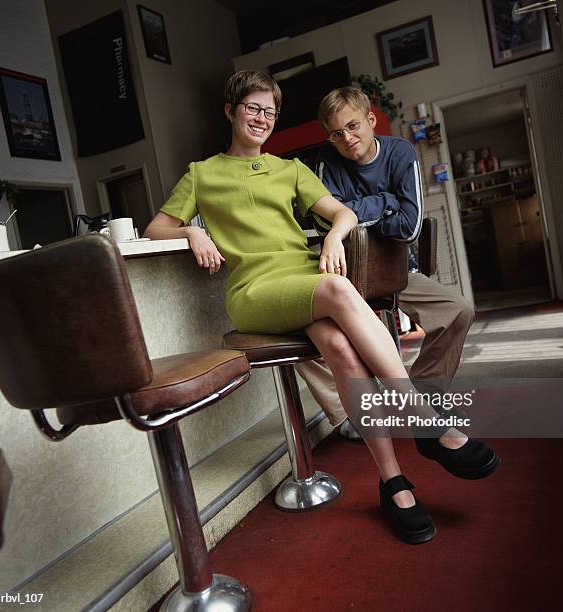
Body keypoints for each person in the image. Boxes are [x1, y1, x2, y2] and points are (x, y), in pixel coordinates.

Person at [144, 71, 498, 545]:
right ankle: (425, 421)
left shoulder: (289, 168)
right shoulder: (200, 174)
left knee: (339, 347)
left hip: (302, 274)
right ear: (230, 111)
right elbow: (154, 230)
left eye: (269, 110)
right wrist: (192, 230)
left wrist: (333, 235)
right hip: (254, 290)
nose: (261, 118)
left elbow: (344, 213)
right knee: (337, 290)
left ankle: (392, 481)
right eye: (252, 108)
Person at [295, 86, 483, 446]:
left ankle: (426, 393)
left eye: (353, 126)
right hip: (345, 273)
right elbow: (324, 223)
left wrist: (353, 211)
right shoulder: (325, 158)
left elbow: (409, 226)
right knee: (305, 334)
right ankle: (351, 414)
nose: (346, 138)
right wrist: (385, 202)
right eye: (336, 133)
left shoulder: (400, 152)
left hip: (396, 269)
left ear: (370, 120)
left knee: (458, 311)